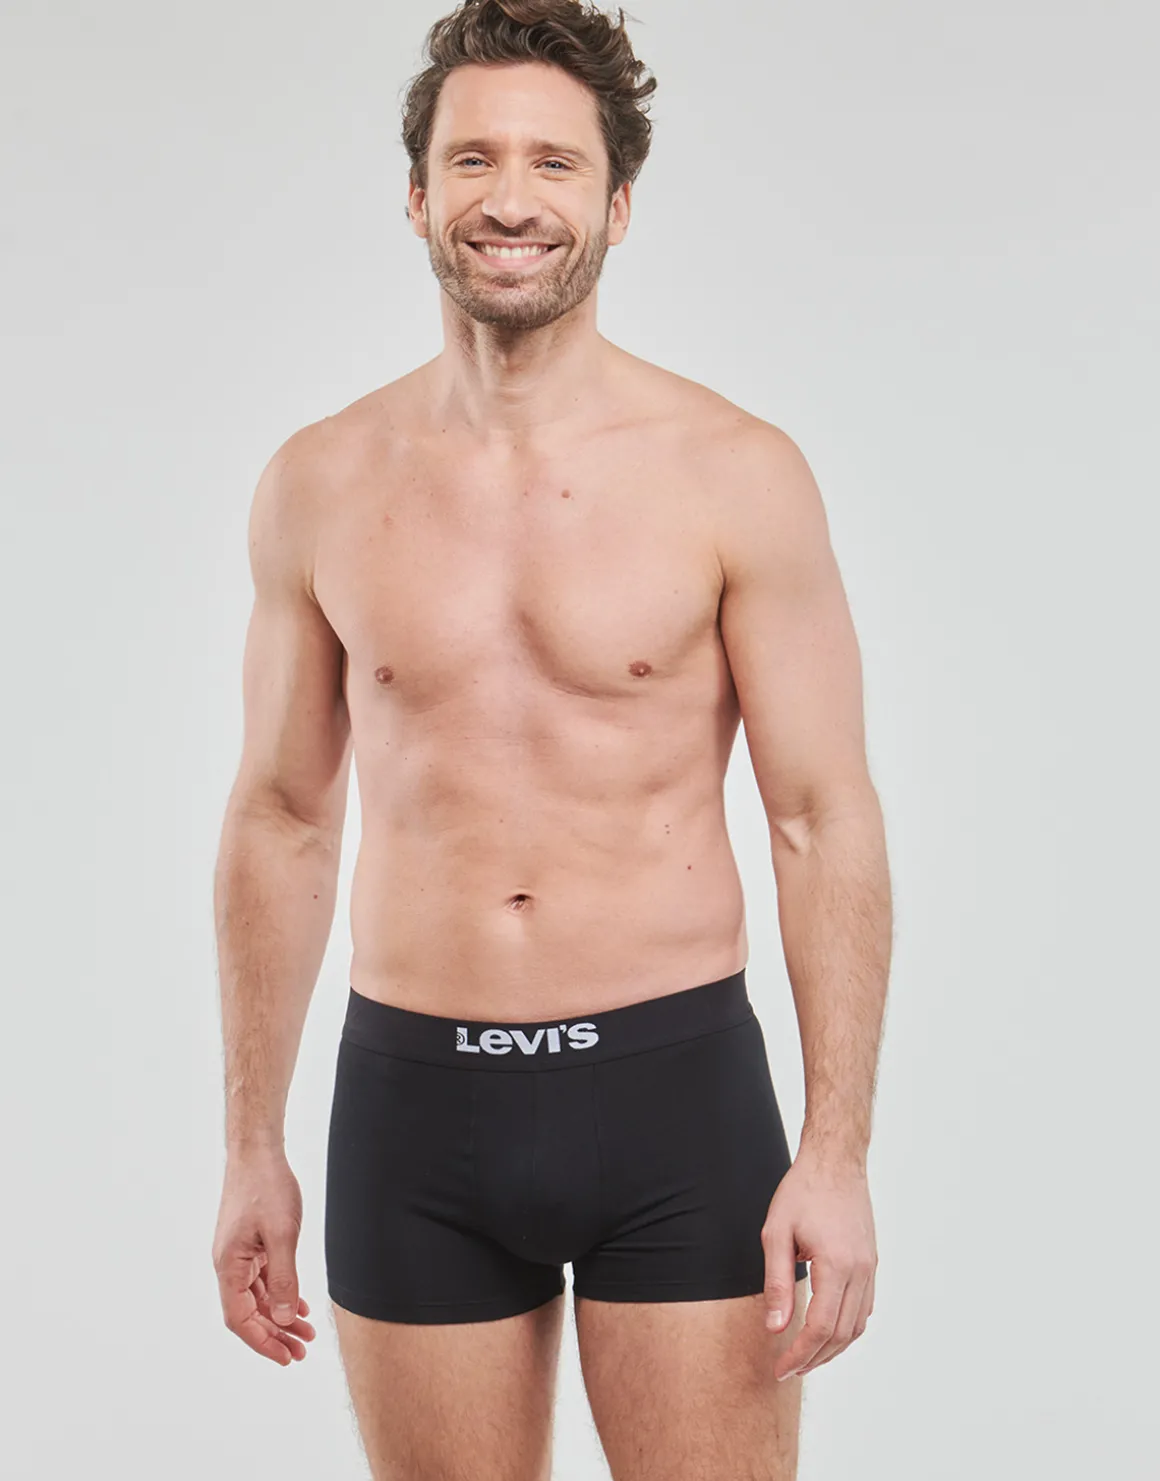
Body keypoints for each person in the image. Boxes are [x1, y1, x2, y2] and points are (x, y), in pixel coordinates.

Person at [210, 2, 891, 1476]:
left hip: (674, 1098)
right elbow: (281, 815)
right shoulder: (321, 482)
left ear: (617, 205)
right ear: (416, 196)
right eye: (472, 160)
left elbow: (821, 815)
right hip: (413, 1105)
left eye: (554, 163)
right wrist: (250, 1142)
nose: (509, 199)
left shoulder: (735, 474)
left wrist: (836, 1155)